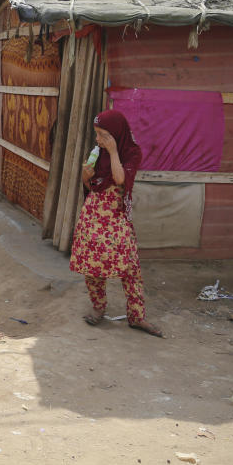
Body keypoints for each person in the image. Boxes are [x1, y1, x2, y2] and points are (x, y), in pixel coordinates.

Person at [69, 109, 163, 338]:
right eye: (97, 134)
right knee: (92, 264)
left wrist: (112, 152)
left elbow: (120, 179)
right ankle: (98, 307)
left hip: (116, 218)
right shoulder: (97, 153)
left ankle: (136, 316)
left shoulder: (132, 153)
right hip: (93, 216)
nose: (98, 140)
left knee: (130, 267)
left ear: (116, 134)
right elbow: (92, 187)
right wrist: (85, 176)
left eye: (103, 135)